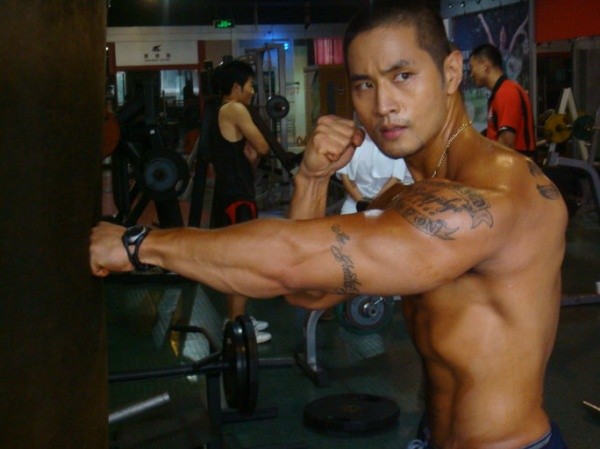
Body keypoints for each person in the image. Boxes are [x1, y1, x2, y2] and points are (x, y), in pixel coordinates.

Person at [91, 1, 569, 447]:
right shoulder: (407, 197)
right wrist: (313, 178)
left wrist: (138, 244)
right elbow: (310, 293)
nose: (383, 105)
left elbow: (290, 262)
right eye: (364, 85)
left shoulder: (493, 199)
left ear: (450, 72)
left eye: (402, 76)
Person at [208, 59, 272, 343]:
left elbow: (241, 156)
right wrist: (257, 153)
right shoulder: (234, 109)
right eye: (249, 86)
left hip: (228, 193)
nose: (252, 92)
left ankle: (235, 319)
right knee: (241, 261)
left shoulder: (216, 111)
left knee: (233, 258)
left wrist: (252, 160)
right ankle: (237, 327)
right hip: (238, 197)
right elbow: (263, 146)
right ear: (236, 87)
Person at [469, 43, 537, 159]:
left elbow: (507, 143)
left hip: (515, 166)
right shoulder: (500, 92)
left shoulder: (507, 91)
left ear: (485, 66)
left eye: (472, 68)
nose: (471, 74)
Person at [337, 129, 412, 214]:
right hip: (355, 199)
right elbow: (344, 175)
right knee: (344, 220)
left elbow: (396, 178)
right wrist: (361, 201)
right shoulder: (353, 137)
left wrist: (374, 203)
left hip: (386, 199)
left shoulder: (398, 140)